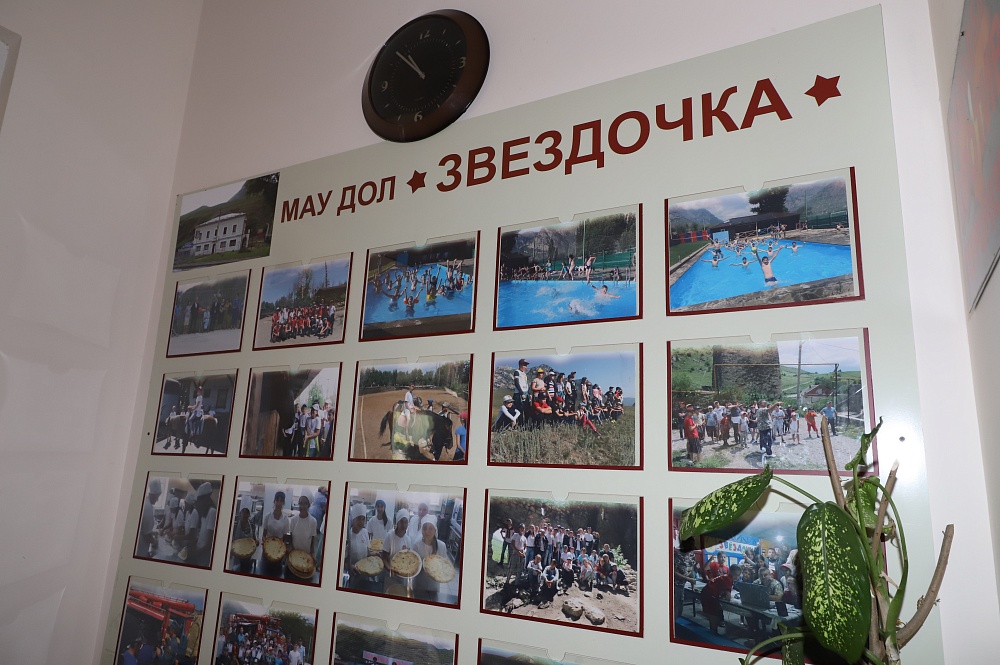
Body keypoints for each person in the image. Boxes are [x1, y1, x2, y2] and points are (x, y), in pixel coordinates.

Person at [412, 519, 449, 601]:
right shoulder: (417, 545)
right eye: (424, 528)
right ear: (421, 529)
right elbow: (413, 566)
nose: (427, 531)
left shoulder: (441, 546)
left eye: (430, 528)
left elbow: (445, 566)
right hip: (418, 585)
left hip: (434, 586)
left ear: (435, 530)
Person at [381, 509, 413, 590]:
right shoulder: (389, 536)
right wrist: (389, 568)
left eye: (406, 522)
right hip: (390, 576)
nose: (404, 525)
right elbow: (384, 558)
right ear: (397, 522)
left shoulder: (408, 540)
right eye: (401, 522)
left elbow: (408, 559)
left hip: (403, 577)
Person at [346, 502, 371, 589]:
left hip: (366, 573)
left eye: (363, 519)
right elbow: (343, 560)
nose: (361, 522)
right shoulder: (348, 536)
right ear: (353, 519)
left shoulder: (365, 532)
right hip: (353, 574)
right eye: (359, 519)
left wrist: (374, 554)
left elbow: (367, 553)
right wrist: (350, 566)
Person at [289, 493, 318, 560]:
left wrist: (312, 555)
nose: (302, 506)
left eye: (305, 503)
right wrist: (290, 549)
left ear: (309, 505)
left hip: (306, 556)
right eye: (301, 503)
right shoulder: (293, 520)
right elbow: (290, 537)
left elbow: (312, 541)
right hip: (294, 554)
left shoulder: (313, 521)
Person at [138, 479, 161, 557]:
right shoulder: (148, 507)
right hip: (141, 547)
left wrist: (152, 532)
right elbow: (147, 536)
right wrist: (155, 542)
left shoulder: (145, 502)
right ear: (153, 494)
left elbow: (143, 528)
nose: (157, 500)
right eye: (157, 497)